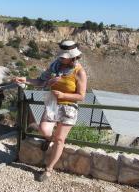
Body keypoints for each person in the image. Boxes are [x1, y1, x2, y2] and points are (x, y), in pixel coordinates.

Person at [14, 40, 87, 182]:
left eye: (64, 56)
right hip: (53, 104)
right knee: (43, 129)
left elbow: (81, 96)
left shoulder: (80, 72)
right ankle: (49, 139)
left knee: (60, 139)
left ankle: (48, 169)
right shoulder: (55, 66)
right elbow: (41, 82)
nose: (61, 58)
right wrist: (26, 80)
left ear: (73, 57)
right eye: (61, 55)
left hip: (69, 108)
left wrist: (64, 95)